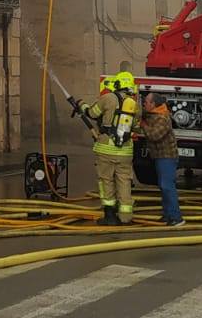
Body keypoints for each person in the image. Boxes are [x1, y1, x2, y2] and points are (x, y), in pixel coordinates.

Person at [74, 70, 139, 226]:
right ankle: (125, 217)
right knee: (124, 182)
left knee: (106, 181)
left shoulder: (108, 98)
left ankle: (109, 216)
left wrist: (81, 105)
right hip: (126, 151)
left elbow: (92, 113)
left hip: (106, 150)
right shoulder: (135, 105)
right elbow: (136, 126)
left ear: (117, 84)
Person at [138, 90, 185, 228]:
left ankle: (176, 218)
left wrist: (143, 125)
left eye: (146, 102)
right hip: (160, 157)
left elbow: (154, 135)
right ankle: (167, 215)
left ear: (153, 104)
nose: (144, 104)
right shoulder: (154, 115)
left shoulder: (163, 118)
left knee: (167, 186)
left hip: (167, 157)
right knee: (163, 186)